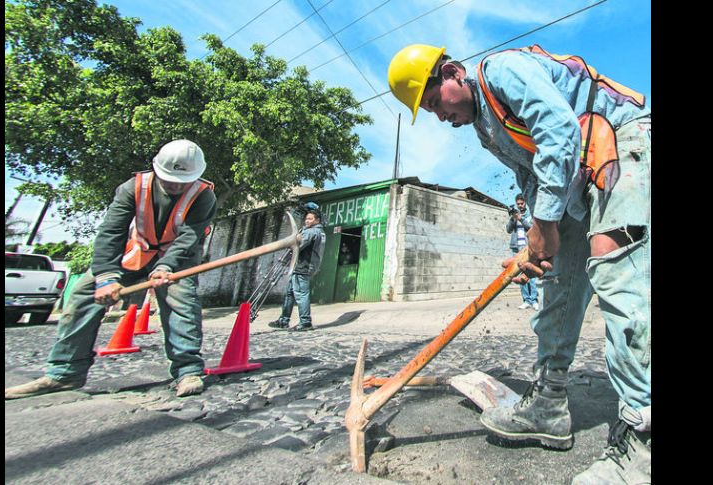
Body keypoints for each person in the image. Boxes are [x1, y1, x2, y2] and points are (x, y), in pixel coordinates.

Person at [388, 44, 650, 483]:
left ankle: (645, 439)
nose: (440, 117)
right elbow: (531, 176)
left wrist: (545, 221)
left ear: (451, 73)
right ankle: (548, 404)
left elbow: (558, 127)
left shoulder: (501, 70)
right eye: (430, 112)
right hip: (574, 177)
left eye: (435, 102)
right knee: (558, 287)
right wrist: (538, 236)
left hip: (624, 139)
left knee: (613, 264)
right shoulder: (486, 130)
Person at [5, 139, 218, 399]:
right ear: (157, 168)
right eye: (169, 178)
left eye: (181, 181)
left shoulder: (203, 195)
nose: (175, 185)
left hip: (176, 258)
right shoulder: (133, 187)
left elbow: (190, 236)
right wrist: (106, 277)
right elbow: (111, 232)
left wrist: (165, 266)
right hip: (136, 252)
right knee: (85, 291)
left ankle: (187, 371)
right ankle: (64, 373)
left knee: (181, 299)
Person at [268, 208, 326, 332]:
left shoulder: (311, 232)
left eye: (310, 219)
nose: (307, 221)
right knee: (290, 293)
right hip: (301, 266)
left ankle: (305, 322)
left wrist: (286, 254)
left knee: (301, 293)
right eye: (306, 219)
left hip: (303, 266)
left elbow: (297, 245)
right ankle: (283, 320)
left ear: (317, 220)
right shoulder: (319, 232)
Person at [507, 194, 538, 310]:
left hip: (528, 248)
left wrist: (521, 219)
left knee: (531, 274)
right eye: (518, 204)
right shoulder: (514, 216)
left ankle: (534, 300)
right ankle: (526, 300)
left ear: (525, 203)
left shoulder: (530, 215)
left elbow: (532, 229)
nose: (520, 206)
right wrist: (512, 218)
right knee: (520, 275)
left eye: (522, 203)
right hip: (516, 249)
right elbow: (508, 230)